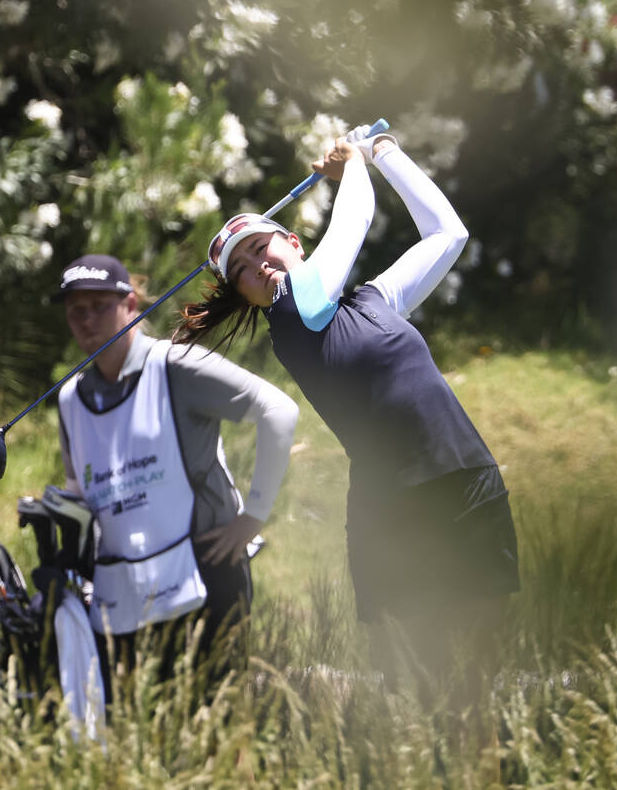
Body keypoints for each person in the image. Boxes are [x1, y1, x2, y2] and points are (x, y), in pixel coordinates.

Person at [174, 127, 521, 682]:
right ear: (244, 295)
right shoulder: (291, 314)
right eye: (241, 269)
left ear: (294, 241)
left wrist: (388, 154)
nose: (258, 265)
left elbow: (448, 234)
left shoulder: (374, 301)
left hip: (465, 480)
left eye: (262, 247)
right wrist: (355, 160)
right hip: (395, 513)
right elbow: (355, 218)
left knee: (481, 670)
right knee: (414, 683)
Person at [53, 254, 298, 692]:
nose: (86, 319)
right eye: (76, 310)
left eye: (99, 306)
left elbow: (278, 410)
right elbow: (81, 500)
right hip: (125, 592)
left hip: (206, 571)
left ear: (130, 304)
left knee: (221, 731)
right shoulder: (72, 399)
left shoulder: (175, 365)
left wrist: (254, 516)